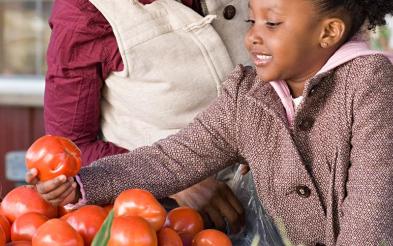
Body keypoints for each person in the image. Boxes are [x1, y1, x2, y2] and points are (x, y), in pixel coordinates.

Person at [28, 0, 393, 244]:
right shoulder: (246, 95)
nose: (252, 36)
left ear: (327, 32)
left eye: (272, 23)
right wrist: (81, 184)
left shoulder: (369, 83)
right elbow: (168, 160)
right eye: (252, 20)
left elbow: (371, 206)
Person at [43, 0, 252, 232]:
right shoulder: (84, 10)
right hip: (166, 222)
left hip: (277, 192)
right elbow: (71, 147)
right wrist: (177, 181)